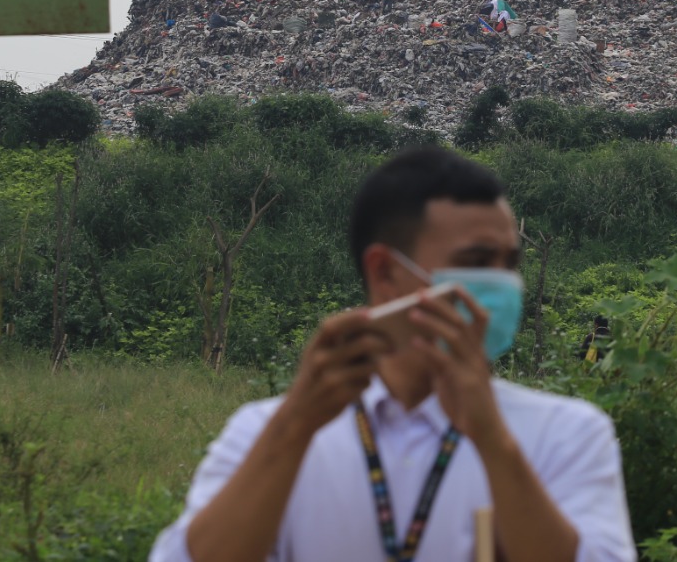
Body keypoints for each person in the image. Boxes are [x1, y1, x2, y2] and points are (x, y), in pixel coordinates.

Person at [150, 148, 636, 562]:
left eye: (509, 264)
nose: (502, 285)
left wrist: (491, 439)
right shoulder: (266, 433)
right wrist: (294, 424)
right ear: (384, 273)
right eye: (475, 263)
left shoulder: (566, 433)